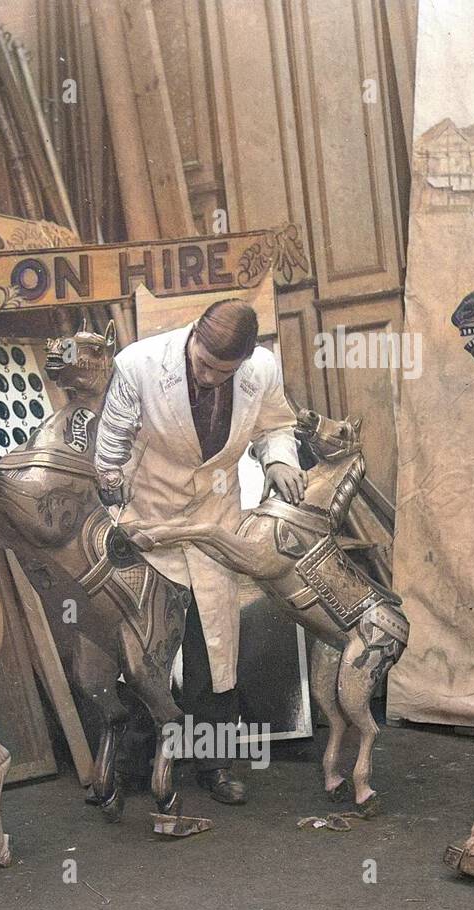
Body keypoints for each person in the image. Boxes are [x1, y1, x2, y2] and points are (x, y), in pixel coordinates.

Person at [94, 299, 305, 804]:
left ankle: (214, 766)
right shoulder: (138, 365)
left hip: (214, 523)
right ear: (193, 337)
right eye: (204, 363)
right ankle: (132, 767)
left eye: (222, 371)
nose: (210, 375)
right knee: (148, 655)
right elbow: (111, 446)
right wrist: (111, 491)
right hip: (151, 522)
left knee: (215, 652)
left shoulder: (261, 370)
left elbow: (276, 425)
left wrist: (276, 459)